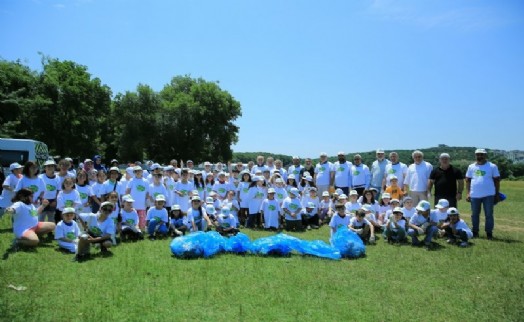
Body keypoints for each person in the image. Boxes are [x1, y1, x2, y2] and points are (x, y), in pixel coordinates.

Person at [465, 148, 500, 240]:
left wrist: (496, 194)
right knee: (475, 214)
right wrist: (468, 193)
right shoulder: (471, 167)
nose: (479, 156)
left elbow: (497, 181)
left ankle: (489, 233)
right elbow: (467, 180)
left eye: (482, 154)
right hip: (474, 195)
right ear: (475, 155)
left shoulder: (492, 166)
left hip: (489, 194)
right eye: (478, 154)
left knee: (489, 214)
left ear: (485, 155)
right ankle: (475, 232)